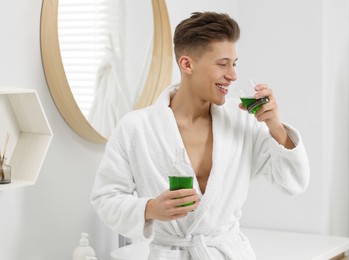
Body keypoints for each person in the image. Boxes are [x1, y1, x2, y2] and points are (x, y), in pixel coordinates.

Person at [90, 12, 310, 260]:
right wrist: (150, 209)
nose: (233, 75)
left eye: (234, 63)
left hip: (227, 252)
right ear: (187, 64)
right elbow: (105, 198)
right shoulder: (137, 128)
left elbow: (294, 182)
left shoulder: (242, 120)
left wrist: (275, 126)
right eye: (222, 63)